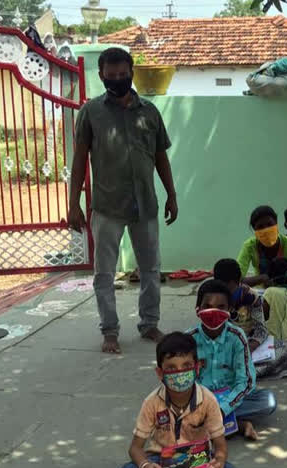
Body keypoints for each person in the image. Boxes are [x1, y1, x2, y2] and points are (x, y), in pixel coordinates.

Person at [68, 47, 178, 354]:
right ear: (101, 75)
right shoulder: (91, 112)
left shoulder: (150, 112)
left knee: (151, 269)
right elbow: (79, 160)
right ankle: (110, 330)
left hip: (146, 204)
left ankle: (149, 324)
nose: (117, 79)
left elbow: (160, 157)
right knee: (104, 272)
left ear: (131, 72)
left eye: (123, 74)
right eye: (111, 75)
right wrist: (73, 203)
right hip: (107, 206)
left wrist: (172, 194)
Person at [118, 332, 239, 468]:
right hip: (161, 461)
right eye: (171, 368)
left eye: (186, 365)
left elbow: (220, 445)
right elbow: (135, 449)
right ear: (160, 373)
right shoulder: (152, 402)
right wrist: (146, 467)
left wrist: (218, 462)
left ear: (197, 368)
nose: (179, 372)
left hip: (197, 460)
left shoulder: (208, 400)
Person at [190, 279, 277, 440]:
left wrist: (221, 409)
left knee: (268, 400)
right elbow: (183, 382)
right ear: (197, 309)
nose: (213, 312)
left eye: (220, 307)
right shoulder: (189, 340)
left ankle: (210, 423)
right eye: (207, 306)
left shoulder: (237, 337)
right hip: (199, 400)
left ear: (230, 310)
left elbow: (246, 382)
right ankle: (237, 424)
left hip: (230, 397)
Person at [237, 205, 287, 326]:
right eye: (260, 227)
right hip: (262, 292)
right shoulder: (249, 246)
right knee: (238, 298)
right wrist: (262, 278)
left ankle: (272, 315)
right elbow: (237, 278)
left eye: (269, 224)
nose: (266, 229)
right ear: (255, 231)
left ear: (276, 224)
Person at [213, 258, 268, 353]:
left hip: (249, 341)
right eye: (222, 289)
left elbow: (261, 329)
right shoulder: (213, 299)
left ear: (239, 281)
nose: (227, 294)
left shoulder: (251, 297)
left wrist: (250, 347)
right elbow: (212, 330)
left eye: (230, 289)